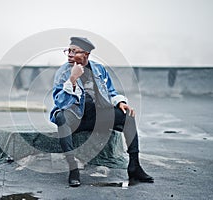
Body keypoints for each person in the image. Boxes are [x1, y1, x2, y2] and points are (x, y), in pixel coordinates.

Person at [50, 37, 154, 187]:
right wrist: (72, 79)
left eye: (74, 51)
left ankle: (135, 167)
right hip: (76, 117)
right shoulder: (64, 72)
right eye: (68, 50)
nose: (69, 54)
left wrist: (120, 102)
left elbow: (111, 91)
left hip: (97, 116)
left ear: (86, 54)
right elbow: (60, 102)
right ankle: (73, 169)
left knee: (127, 117)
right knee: (61, 117)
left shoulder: (99, 69)